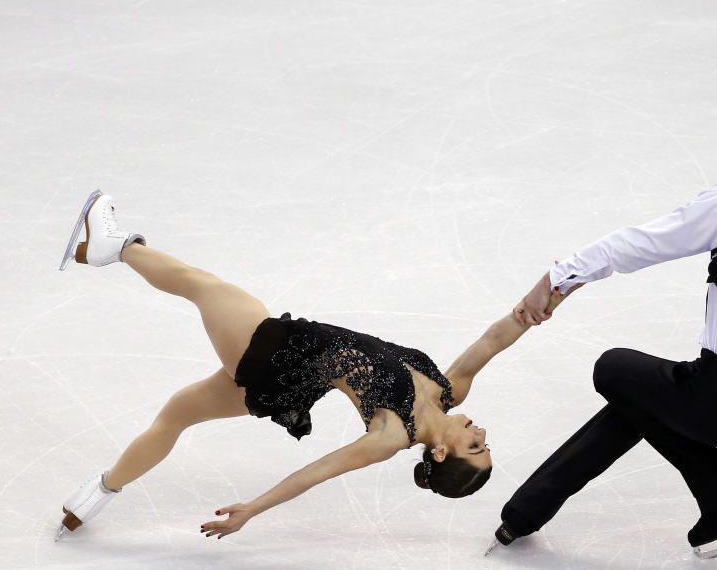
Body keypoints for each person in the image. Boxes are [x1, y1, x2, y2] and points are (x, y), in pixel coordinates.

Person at [54, 191, 573, 541]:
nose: (480, 432)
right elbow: (492, 340)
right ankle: (96, 495)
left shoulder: (391, 434)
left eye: (475, 445)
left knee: (202, 286)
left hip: (273, 353)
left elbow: (319, 471)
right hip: (283, 386)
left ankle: (115, 247)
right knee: (175, 416)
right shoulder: (447, 389)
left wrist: (251, 510)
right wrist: (543, 301)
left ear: (439, 453)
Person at [494, 94, 717, 558]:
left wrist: (557, 278)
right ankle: (523, 514)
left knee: (612, 369)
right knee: (639, 403)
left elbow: (642, 243)